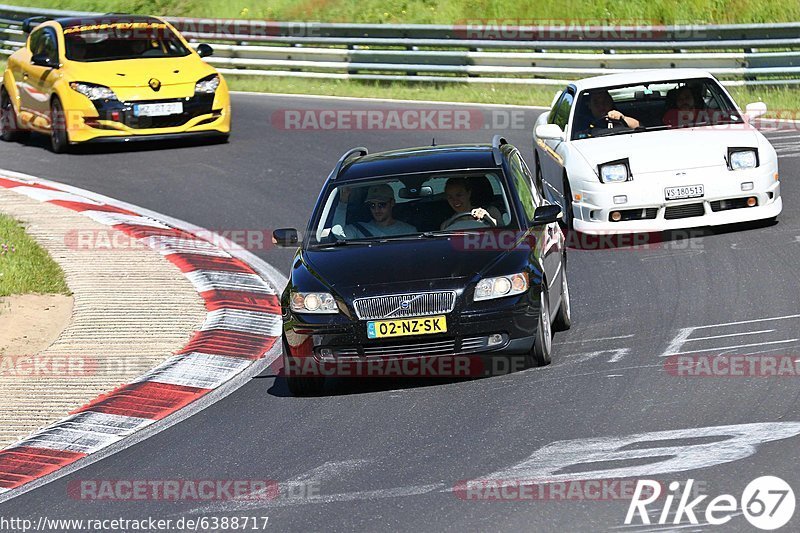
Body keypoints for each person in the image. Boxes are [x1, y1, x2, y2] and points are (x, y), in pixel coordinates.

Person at [331, 183, 416, 239]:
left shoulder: (409, 231)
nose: (376, 209)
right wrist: (343, 201)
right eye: (372, 205)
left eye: (381, 204)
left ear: (392, 203)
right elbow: (338, 233)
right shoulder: (359, 229)